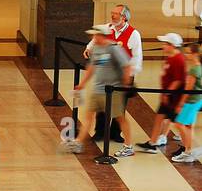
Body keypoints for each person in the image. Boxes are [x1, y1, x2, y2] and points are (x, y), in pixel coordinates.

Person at [65, 25, 134, 157]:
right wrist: (82, 84)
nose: (93, 38)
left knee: (120, 118)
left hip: (112, 91)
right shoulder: (96, 48)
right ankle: (78, 142)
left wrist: (125, 85)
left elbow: (127, 66)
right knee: (88, 116)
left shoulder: (114, 48)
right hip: (97, 89)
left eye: (95, 35)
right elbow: (92, 67)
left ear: (102, 35)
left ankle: (128, 146)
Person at [138, 33, 188, 153]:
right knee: (160, 117)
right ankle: (153, 142)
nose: (163, 46)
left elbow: (178, 80)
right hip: (168, 94)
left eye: (166, 44)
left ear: (172, 45)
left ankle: (188, 148)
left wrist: (166, 93)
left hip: (174, 97)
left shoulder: (178, 59)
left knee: (178, 123)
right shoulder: (170, 57)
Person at [172, 40, 202, 163]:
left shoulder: (194, 70)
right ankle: (188, 149)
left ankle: (188, 151)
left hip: (191, 101)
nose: (186, 55)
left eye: (188, 53)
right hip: (198, 100)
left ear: (195, 54)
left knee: (179, 123)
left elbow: (188, 89)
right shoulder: (199, 67)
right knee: (188, 126)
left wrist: (180, 104)